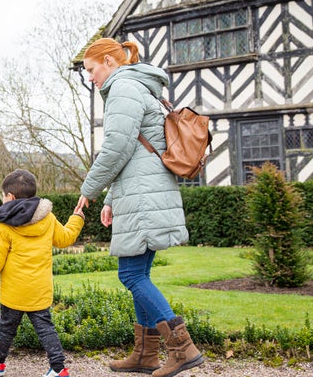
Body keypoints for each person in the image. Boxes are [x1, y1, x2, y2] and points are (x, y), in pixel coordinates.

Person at [74, 38, 204, 377]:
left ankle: (182, 349)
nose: (89, 77)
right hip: (141, 192)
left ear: (108, 62)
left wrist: (89, 189)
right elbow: (133, 152)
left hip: (145, 197)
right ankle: (145, 355)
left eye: (91, 69)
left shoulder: (123, 88)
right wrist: (110, 199)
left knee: (130, 274)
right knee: (139, 274)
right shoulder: (135, 86)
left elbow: (116, 148)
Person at [0, 169, 85, 377]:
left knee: (6, 328)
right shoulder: (48, 218)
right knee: (46, 329)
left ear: (10, 197)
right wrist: (77, 218)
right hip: (39, 290)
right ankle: (58, 368)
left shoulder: (3, 224)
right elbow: (65, 238)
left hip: (14, 291)